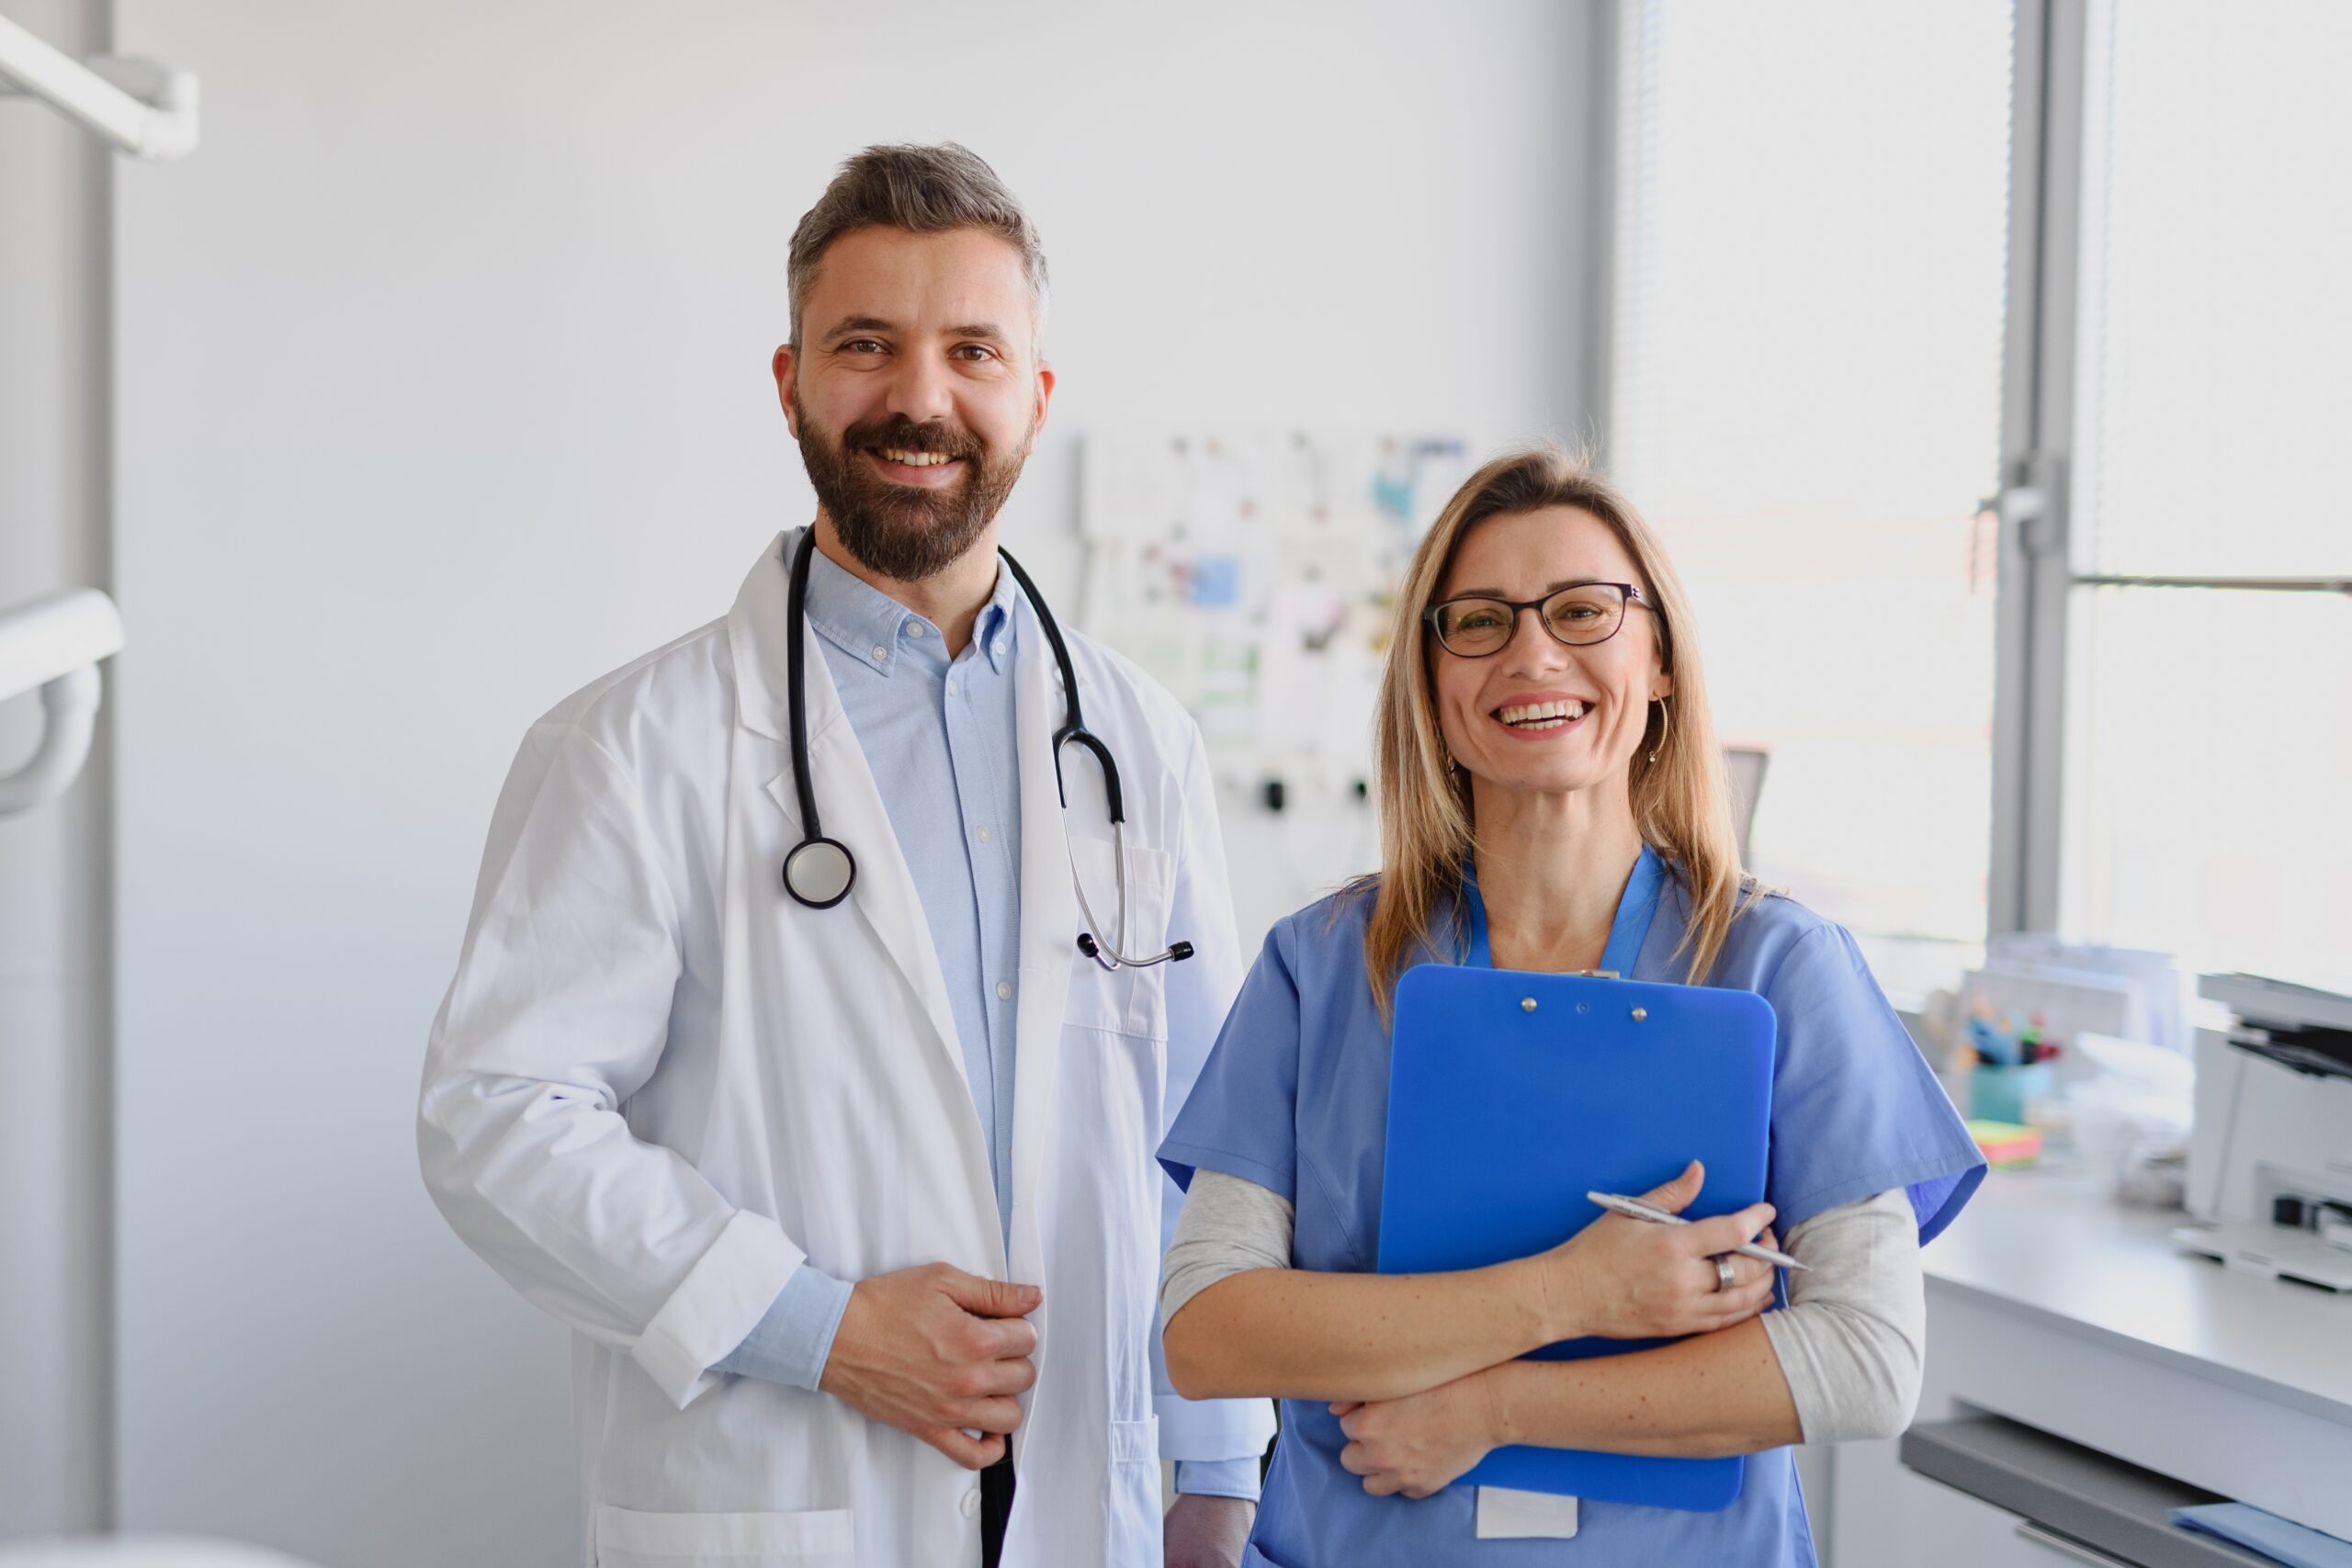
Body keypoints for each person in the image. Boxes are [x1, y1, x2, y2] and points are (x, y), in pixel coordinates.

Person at [419, 143, 1271, 1568]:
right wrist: (821, 1325)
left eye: (972, 350)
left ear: (1036, 395)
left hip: (1093, 1490)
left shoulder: (1138, 740)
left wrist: (1219, 1463)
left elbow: (1213, 1143)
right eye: (866, 345)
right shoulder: (634, 747)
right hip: (788, 1484)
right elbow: (495, 1113)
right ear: (791, 377)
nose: (920, 399)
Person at [1155, 446, 1986, 1565]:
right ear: (1432, 680)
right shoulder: (1320, 965)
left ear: (1658, 663)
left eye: (1583, 611)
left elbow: (1866, 1359)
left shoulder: (1779, 965)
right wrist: (1567, 1293)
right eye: (1481, 620)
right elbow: (1207, 1333)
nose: (1532, 652)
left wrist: (1489, 1409)